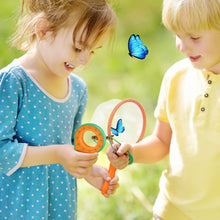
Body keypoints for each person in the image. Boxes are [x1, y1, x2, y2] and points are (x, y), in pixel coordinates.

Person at [0, 0, 119, 219]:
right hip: (19, 206)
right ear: (44, 30)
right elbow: (2, 151)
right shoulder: (14, 82)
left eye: (93, 50)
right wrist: (56, 153)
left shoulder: (77, 90)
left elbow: (73, 147)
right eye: (78, 47)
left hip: (59, 205)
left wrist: (87, 171)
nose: (85, 59)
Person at [107, 0, 220, 219]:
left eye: (194, 37)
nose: (182, 46)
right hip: (171, 210)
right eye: (177, 35)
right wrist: (132, 153)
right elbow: (162, 142)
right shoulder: (175, 77)